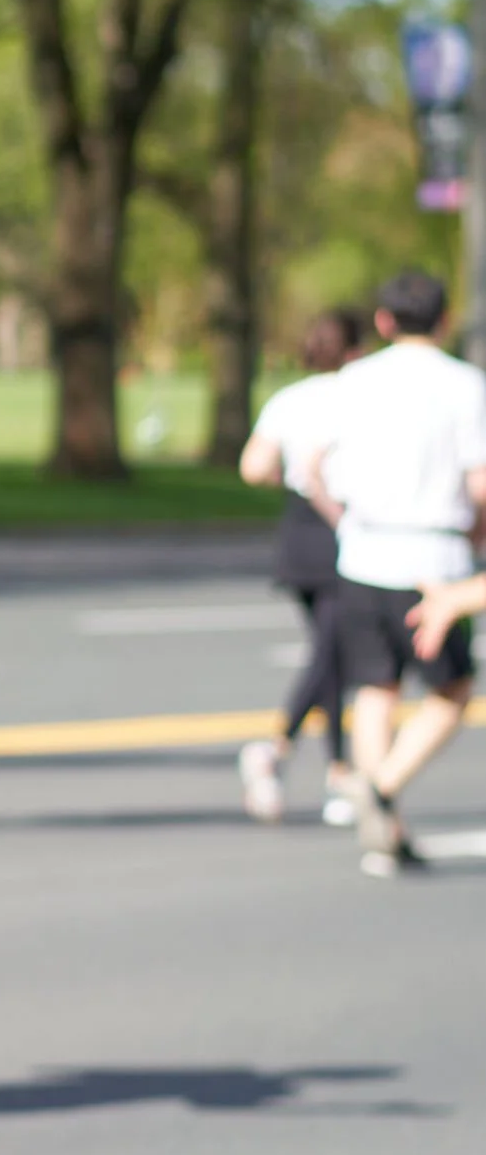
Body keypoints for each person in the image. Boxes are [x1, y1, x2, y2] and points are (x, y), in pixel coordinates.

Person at [303, 269, 486, 877]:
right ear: (445, 319)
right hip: (435, 561)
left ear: (383, 321)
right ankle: (383, 788)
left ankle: (382, 826)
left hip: (363, 552)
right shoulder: (465, 386)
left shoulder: (353, 382)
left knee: (375, 689)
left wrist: (345, 524)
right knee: (451, 690)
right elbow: (480, 482)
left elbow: (313, 467)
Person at [236, 306, 363, 826]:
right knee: (333, 653)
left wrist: (288, 473)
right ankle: (276, 748)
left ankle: (338, 770)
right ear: (356, 350)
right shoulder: (362, 398)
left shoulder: (290, 400)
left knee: (331, 650)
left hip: (297, 532)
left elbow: (254, 467)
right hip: (343, 525)